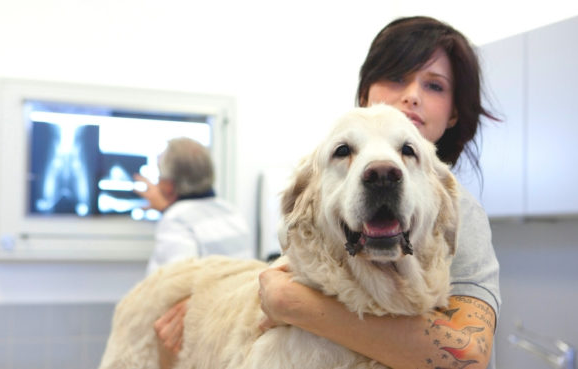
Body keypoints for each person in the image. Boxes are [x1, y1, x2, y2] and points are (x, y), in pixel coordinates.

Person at [155, 16, 501, 369]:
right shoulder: (316, 194)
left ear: (454, 111)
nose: (412, 96)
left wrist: (292, 303)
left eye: (435, 86)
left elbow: (468, 359)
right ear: (365, 92)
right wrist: (208, 305)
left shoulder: (460, 209)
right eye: (397, 77)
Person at [134, 137, 253, 275]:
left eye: (159, 176)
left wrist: (168, 211)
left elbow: (176, 286)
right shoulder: (231, 211)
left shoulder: (175, 221)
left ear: (168, 186)